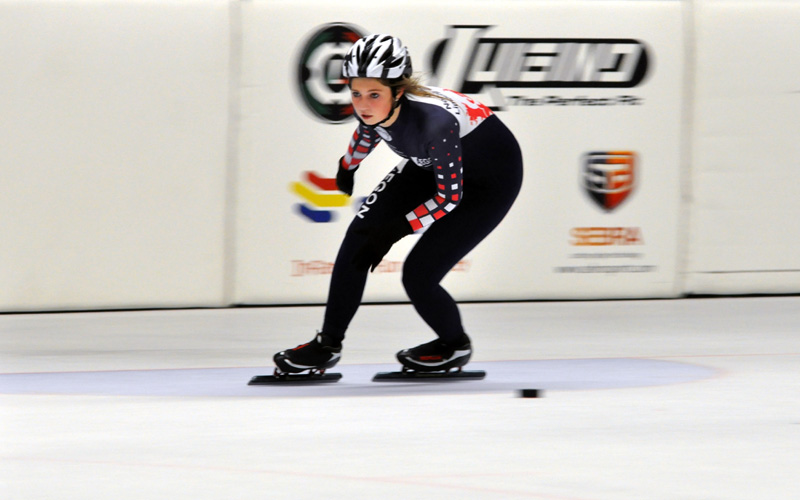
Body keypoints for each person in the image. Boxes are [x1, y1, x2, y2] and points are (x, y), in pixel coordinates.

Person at [274, 34, 523, 374]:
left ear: (399, 92)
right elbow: (367, 130)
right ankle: (327, 345)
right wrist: (347, 166)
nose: (363, 104)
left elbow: (449, 197)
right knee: (360, 236)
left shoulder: (436, 125)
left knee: (419, 275)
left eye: (374, 94)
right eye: (356, 93)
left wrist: (395, 230)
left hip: (488, 185)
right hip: (430, 164)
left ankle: (453, 345)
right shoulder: (377, 108)